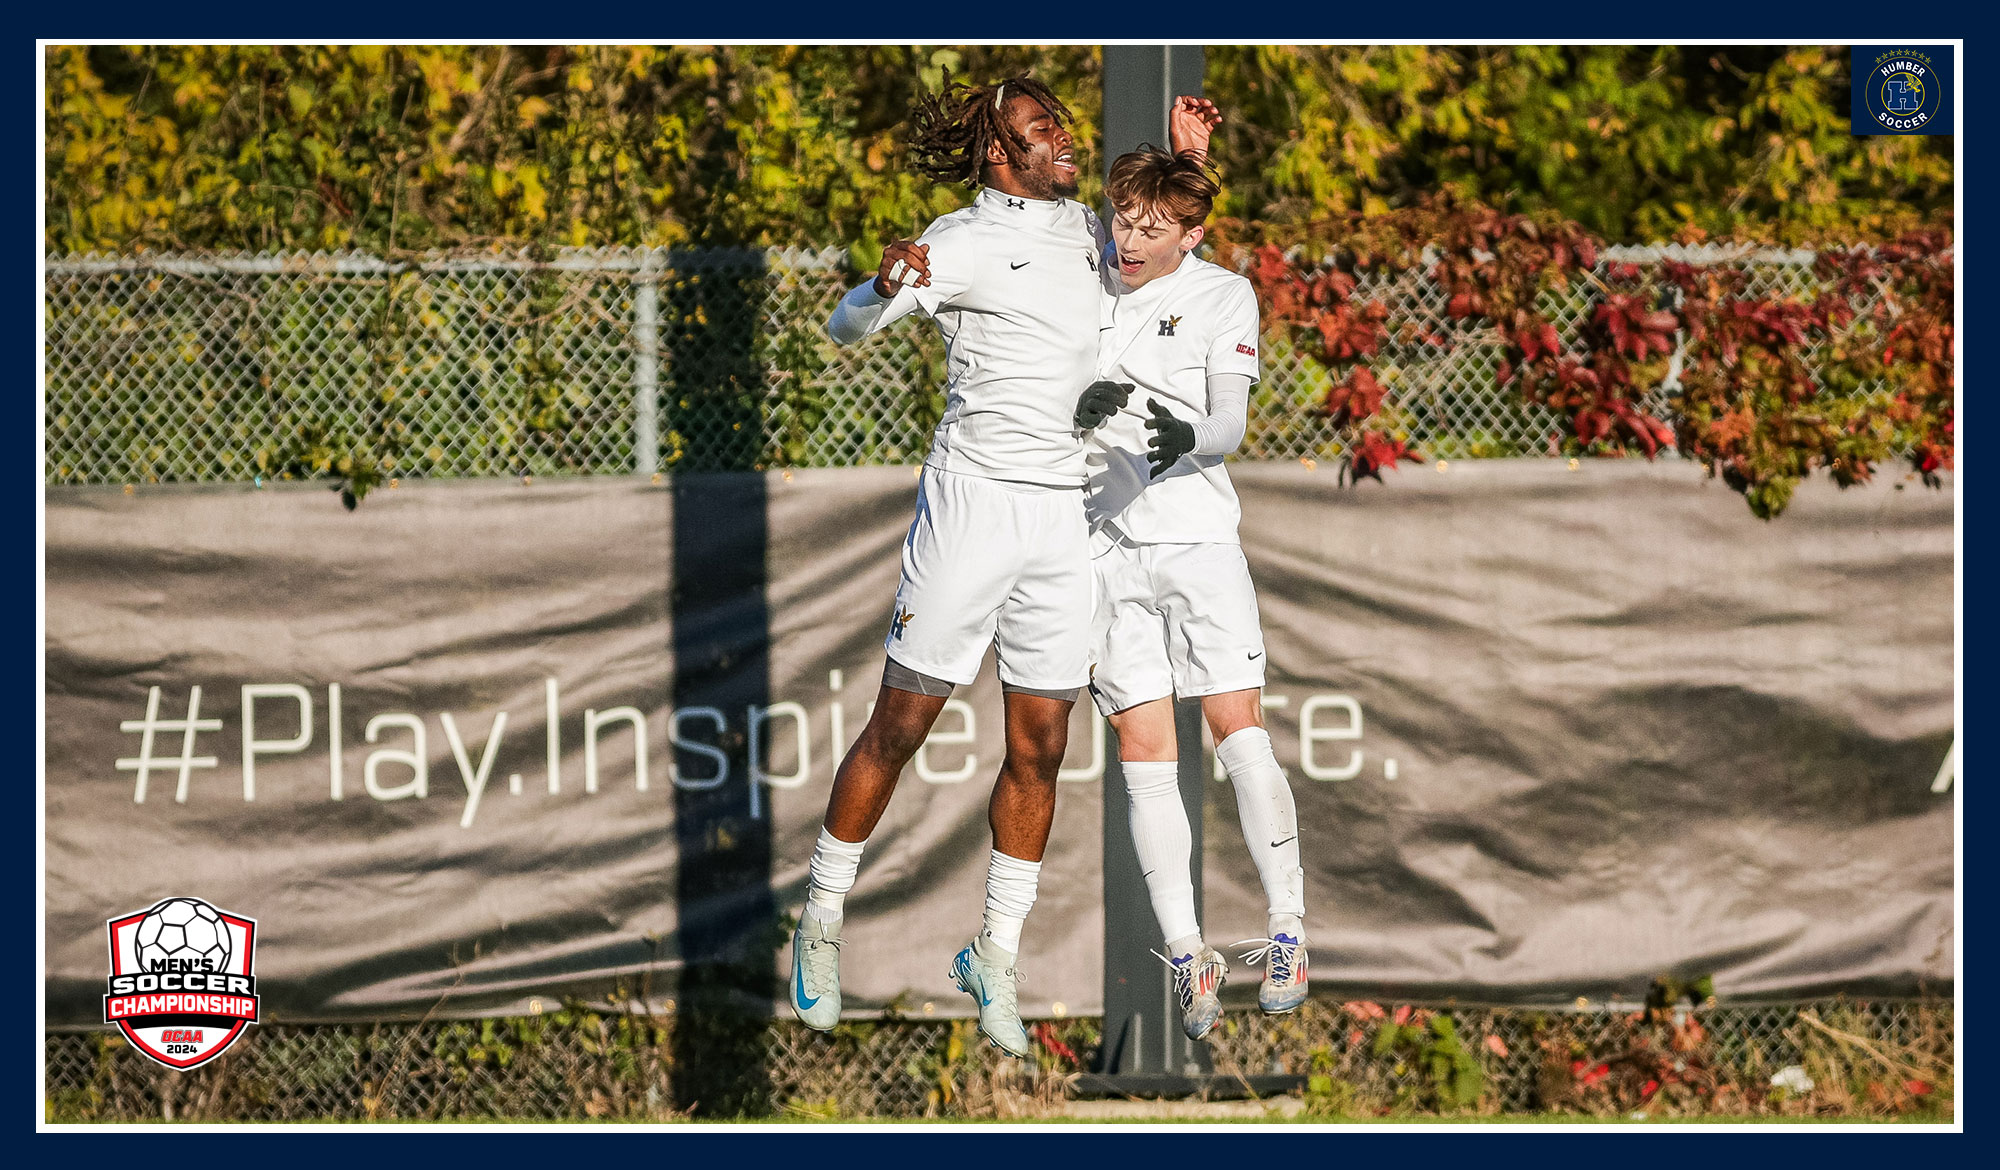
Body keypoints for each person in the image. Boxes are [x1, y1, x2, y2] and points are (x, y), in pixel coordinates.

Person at [789, 75, 1212, 1058]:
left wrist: (1188, 162)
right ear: (997, 154)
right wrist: (881, 286)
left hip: (1059, 523)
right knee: (897, 727)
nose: (1062, 142)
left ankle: (995, 955)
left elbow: (1163, 254)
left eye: (1059, 126)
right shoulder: (963, 239)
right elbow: (843, 330)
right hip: (971, 512)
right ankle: (818, 920)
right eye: (1039, 132)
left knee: (1040, 749)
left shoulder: (1081, 229)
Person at [1071, 145, 1308, 1042]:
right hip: (1099, 545)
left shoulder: (1222, 294)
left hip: (1197, 541)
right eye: (1123, 219)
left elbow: (1230, 422)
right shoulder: (1085, 272)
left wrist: (1184, 440)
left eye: (1153, 227)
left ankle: (1287, 930)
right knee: (1143, 752)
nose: (1130, 239)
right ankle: (1188, 952)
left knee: (1235, 729)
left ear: (1192, 235)